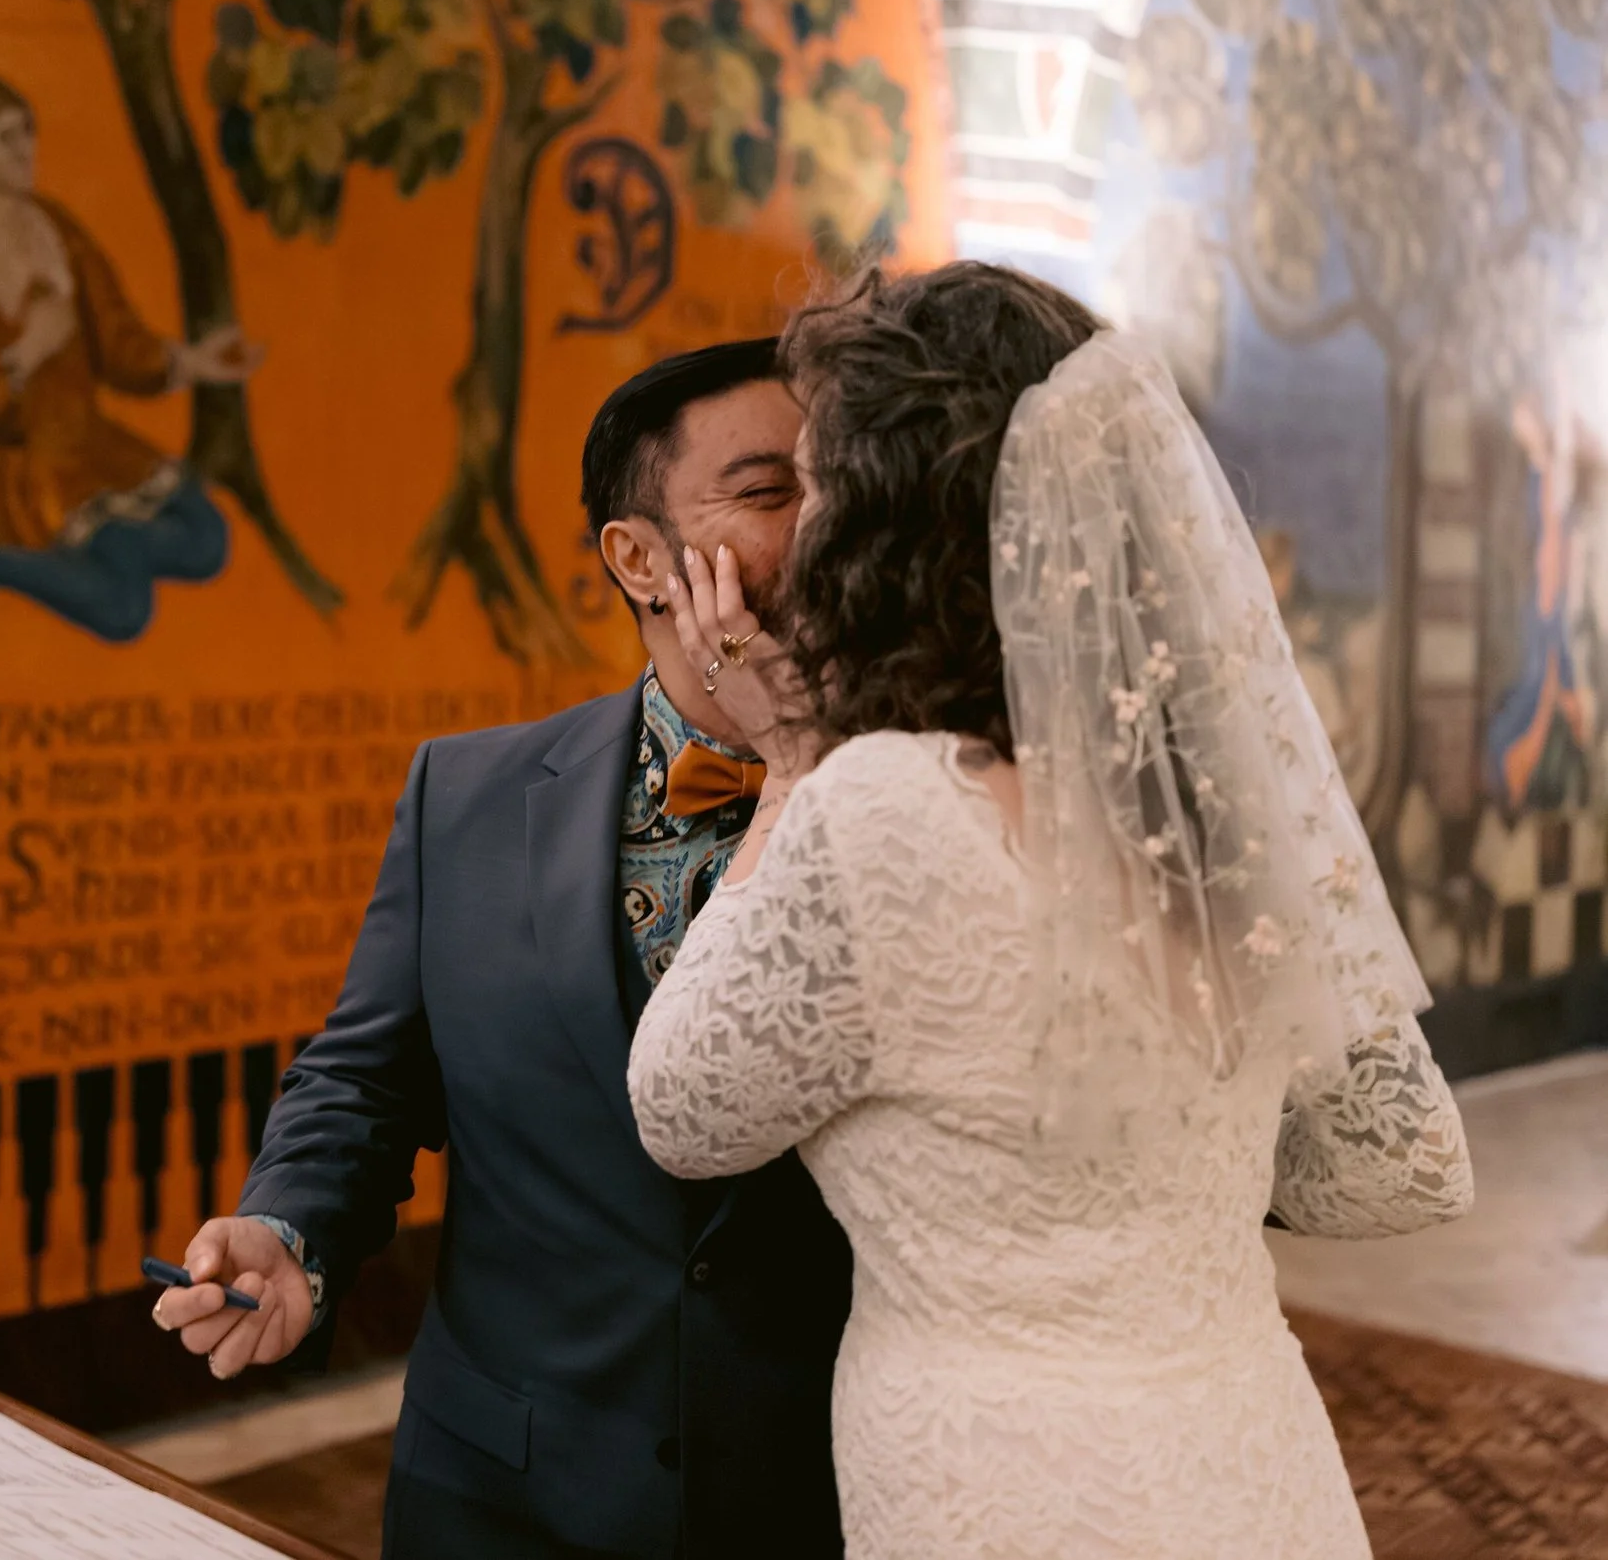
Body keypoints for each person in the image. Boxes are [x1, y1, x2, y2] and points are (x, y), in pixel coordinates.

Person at [629, 263, 1474, 1558]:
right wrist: (1163, 1194)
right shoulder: (1219, 808)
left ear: (895, 524)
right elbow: (1401, 1163)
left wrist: (791, 761)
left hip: (1006, 1478)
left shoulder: (877, 808)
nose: (805, 530)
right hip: (1251, 1451)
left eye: (819, 483)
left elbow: (683, 1113)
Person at [150, 339, 855, 1558]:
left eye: (830, 482)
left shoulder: (930, 798)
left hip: (823, 1492)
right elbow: (364, 1078)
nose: (821, 521)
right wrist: (291, 1227)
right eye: (766, 489)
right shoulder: (464, 794)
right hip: (501, 1495)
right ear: (638, 559)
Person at [0, 71, 259, 648]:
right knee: (126, 614)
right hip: (40, 468)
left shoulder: (54, 228)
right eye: (6, 138)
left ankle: (113, 546)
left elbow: (115, 337)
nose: (26, 149)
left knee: (209, 542)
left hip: (97, 443)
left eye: (28, 131)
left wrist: (194, 363)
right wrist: (28, 351)